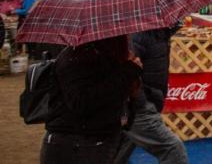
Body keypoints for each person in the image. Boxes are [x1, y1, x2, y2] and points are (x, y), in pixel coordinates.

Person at [41, 35, 143, 164]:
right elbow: (82, 102)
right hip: (75, 144)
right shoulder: (75, 58)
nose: (128, 38)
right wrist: (128, 71)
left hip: (99, 140)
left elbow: (117, 100)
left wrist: (132, 84)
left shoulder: (109, 57)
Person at [114, 27, 187, 164]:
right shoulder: (140, 34)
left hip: (141, 103)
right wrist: (142, 102)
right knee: (172, 149)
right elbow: (126, 72)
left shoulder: (160, 33)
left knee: (117, 156)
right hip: (136, 107)